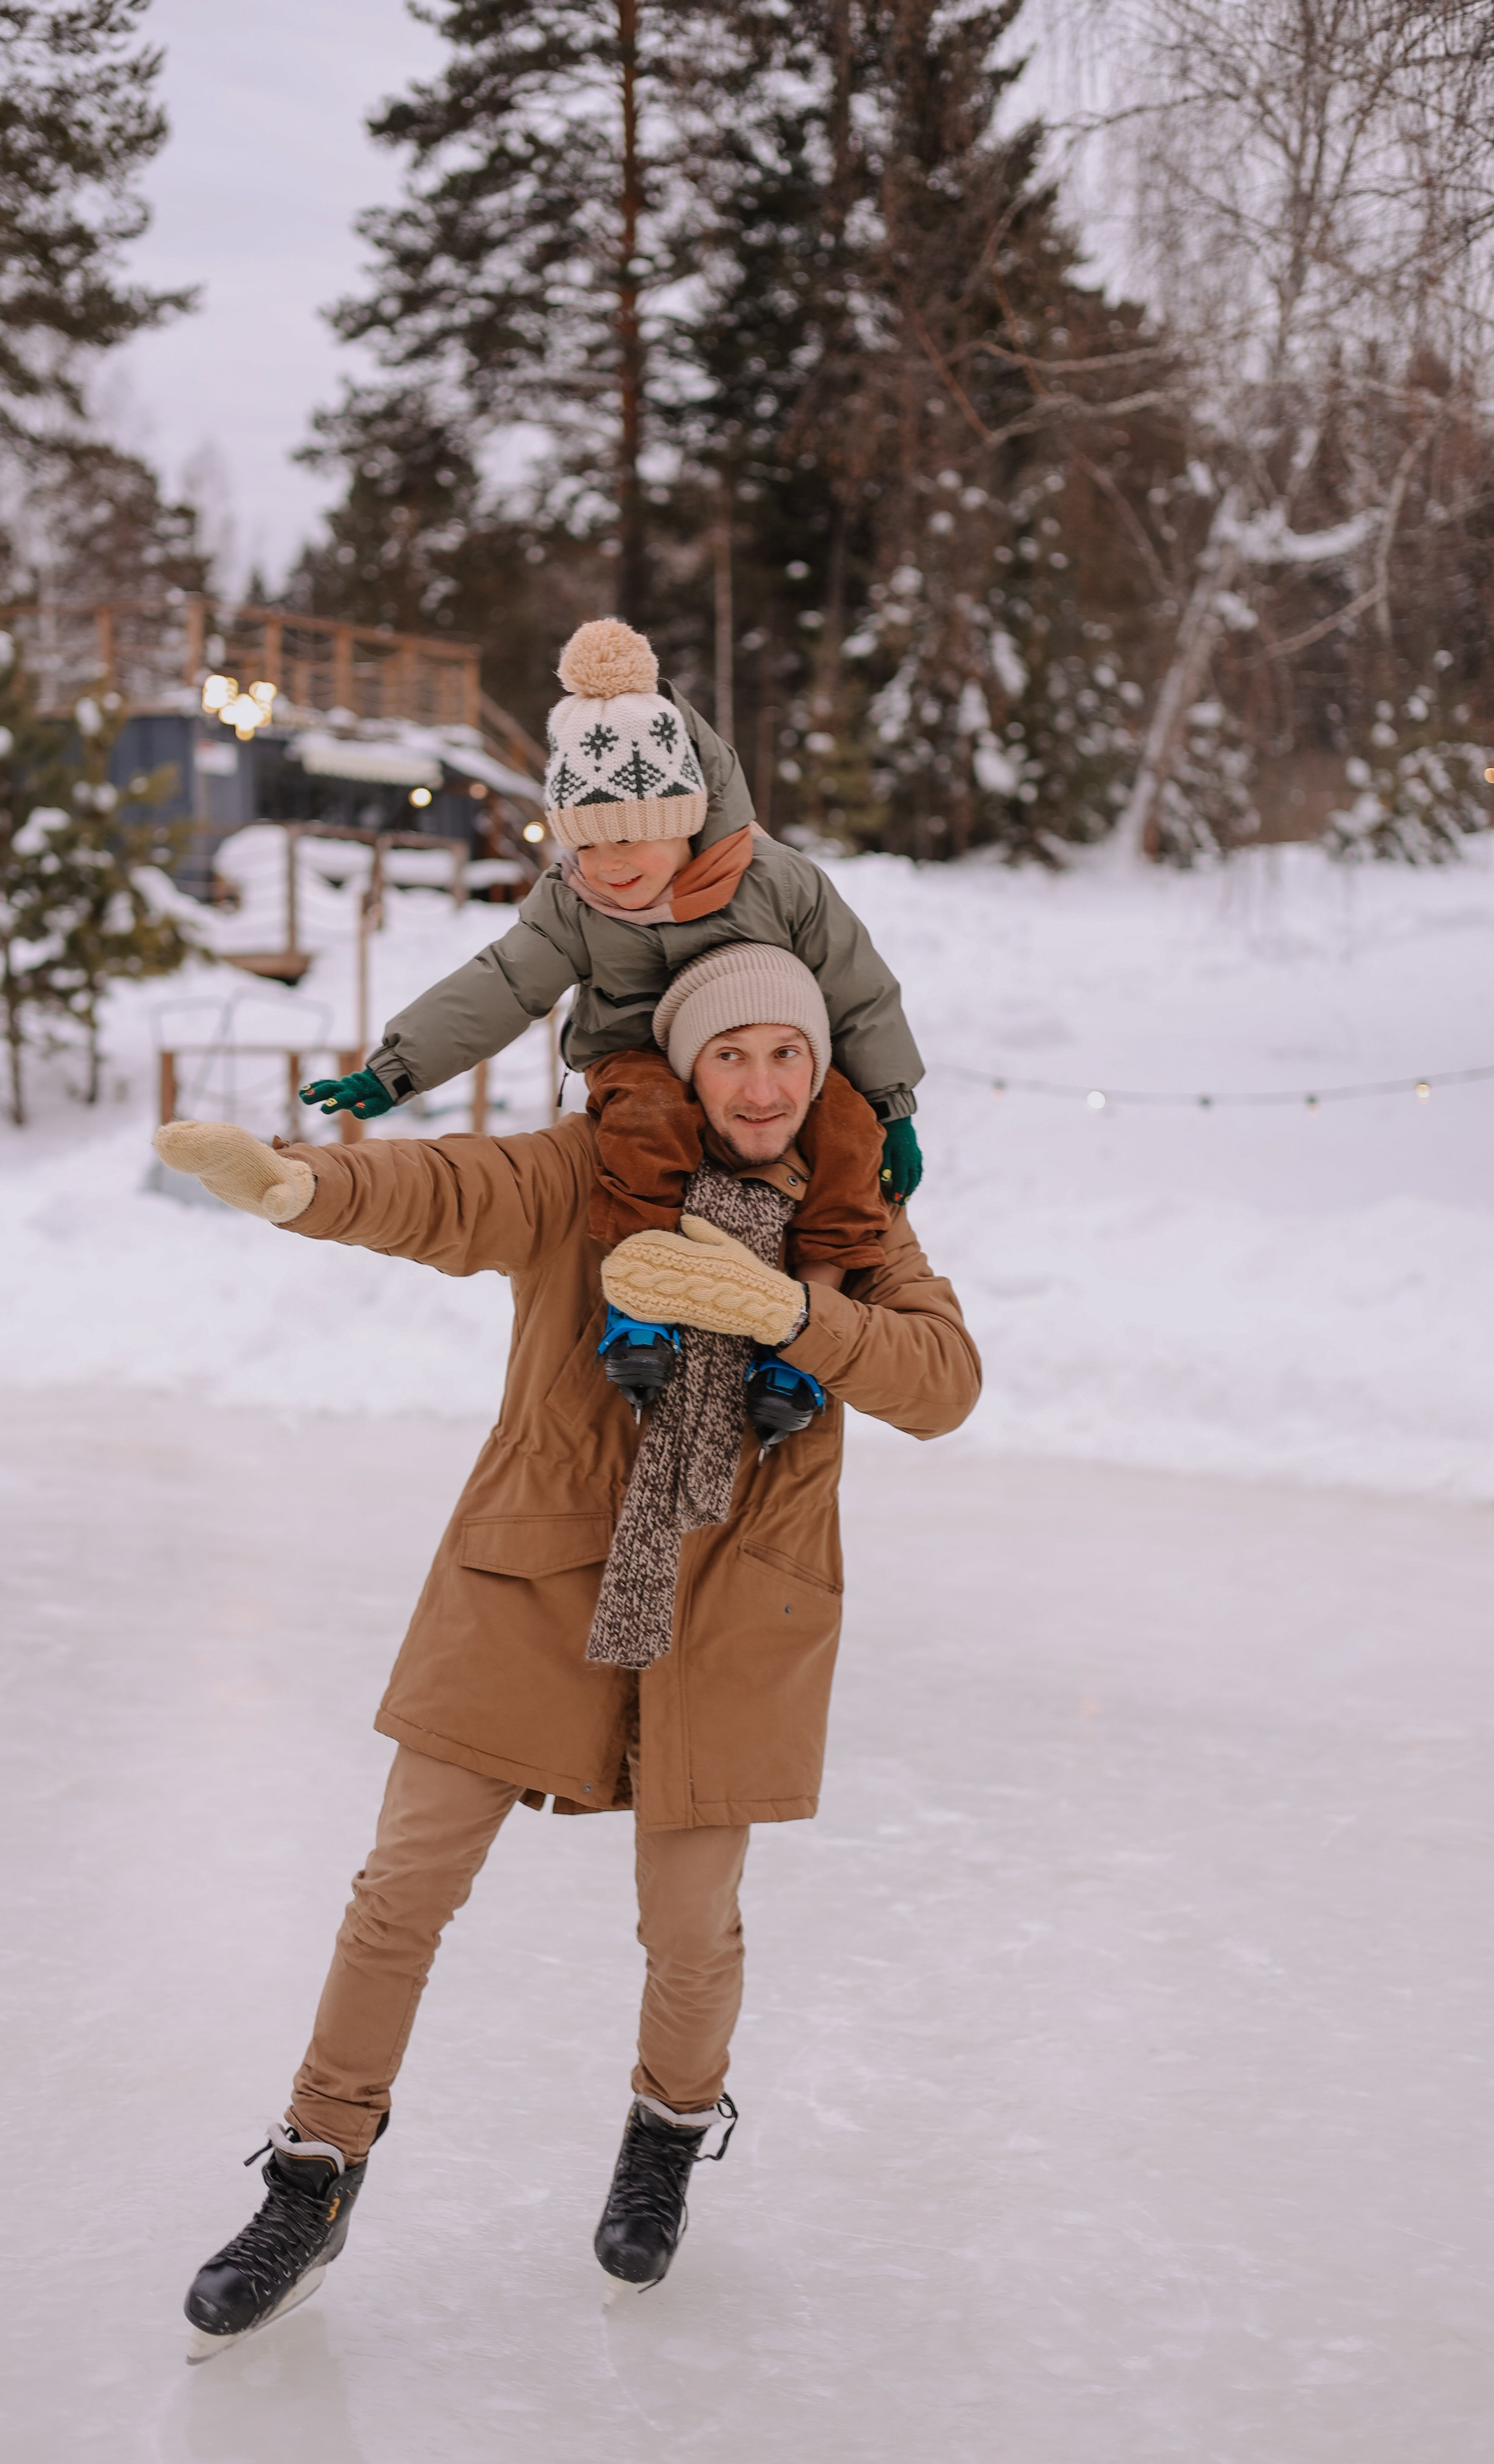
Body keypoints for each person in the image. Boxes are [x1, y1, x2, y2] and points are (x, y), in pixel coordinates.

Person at [153, 944, 980, 2361]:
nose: (764, 1084)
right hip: (532, 1579)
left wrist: (793, 1314)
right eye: (732, 1056)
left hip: (736, 1621)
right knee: (401, 1887)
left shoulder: (856, 1223)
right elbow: (448, 1190)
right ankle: (314, 2171)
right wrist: (302, 1184)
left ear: (820, 1067)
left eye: (788, 1054)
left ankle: (665, 2129)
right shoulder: (586, 1174)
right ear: (686, 1067)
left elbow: (943, 1383)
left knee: (687, 1925)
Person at [298, 620, 928, 1417]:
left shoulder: (777, 881)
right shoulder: (572, 904)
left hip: (758, 1054)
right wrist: (399, 1065)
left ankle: (803, 1332)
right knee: (647, 1117)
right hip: (637, 1057)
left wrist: (891, 1105)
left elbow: (857, 987)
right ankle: (641, 1298)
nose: (610, 867)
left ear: (683, 817)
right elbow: (501, 982)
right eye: (586, 847)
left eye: (630, 837)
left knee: (845, 1136)